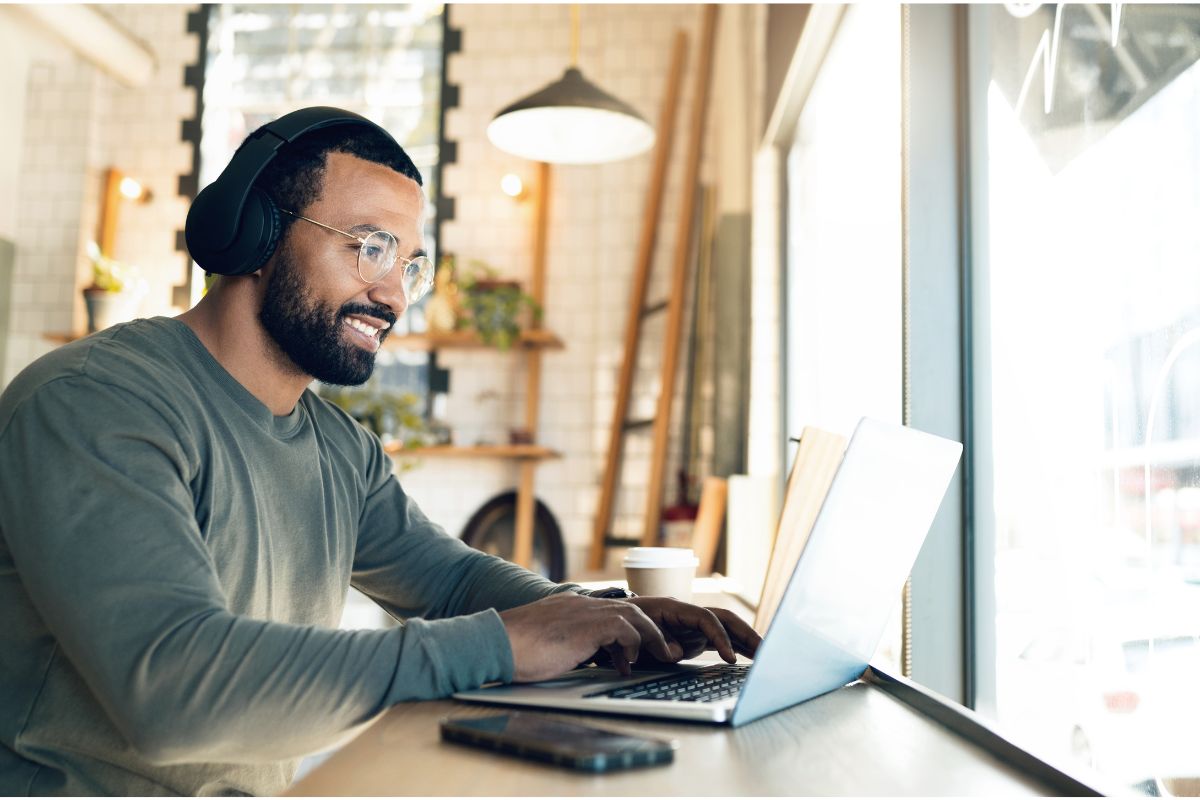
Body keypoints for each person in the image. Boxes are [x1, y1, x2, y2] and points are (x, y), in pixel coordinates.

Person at [0, 108, 760, 796]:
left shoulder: (336, 446)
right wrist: (501, 644)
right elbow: (174, 695)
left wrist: (604, 618)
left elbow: (452, 578)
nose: (394, 294)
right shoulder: (94, 402)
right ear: (254, 234)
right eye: (370, 248)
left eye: (411, 266)